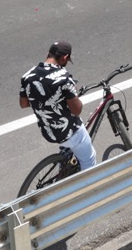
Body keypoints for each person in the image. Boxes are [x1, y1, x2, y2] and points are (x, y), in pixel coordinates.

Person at [20, 41, 97, 172]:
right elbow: (77, 110)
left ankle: (65, 164)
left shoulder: (28, 76)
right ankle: (88, 189)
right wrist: (73, 93)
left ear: (48, 54)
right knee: (89, 159)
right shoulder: (63, 78)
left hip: (48, 130)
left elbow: (24, 104)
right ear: (64, 58)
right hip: (69, 132)